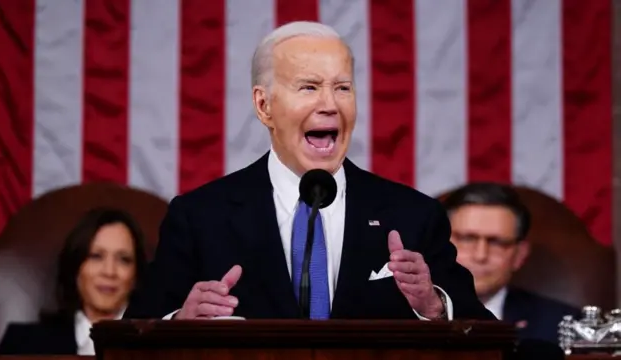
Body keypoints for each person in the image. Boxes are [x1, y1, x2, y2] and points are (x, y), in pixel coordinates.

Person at [123, 21, 494, 322]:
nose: (330, 104)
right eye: (309, 87)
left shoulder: (413, 216)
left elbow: (484, 335)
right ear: (264, 105)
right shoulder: (200, 217)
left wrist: (431, 305)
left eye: (342, 88)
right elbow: (133, 335)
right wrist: (181, 323)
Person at [0, 208, 148, 355]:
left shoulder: (160, 346)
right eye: (96, 256)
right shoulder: (21, 344)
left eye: (124, 260)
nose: (109, 272)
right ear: (75, 267)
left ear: (136, 275)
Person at [441, 182, 580, 343]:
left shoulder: (563, 327)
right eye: (467, 239)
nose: (481, 255)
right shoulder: (406, 314)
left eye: (496, 242)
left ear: (520, 255)